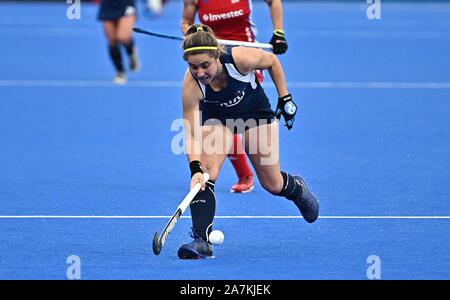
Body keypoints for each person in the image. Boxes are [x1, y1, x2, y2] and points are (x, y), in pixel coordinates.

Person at [177, 24, 319, 259]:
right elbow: (190, 133)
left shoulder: (239, 58)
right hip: (218, 118)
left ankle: (297, 188)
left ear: (216, 55)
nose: (200, 72)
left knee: (272, 184)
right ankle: (201, 240)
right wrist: (195, 168)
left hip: (255, 113)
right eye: (193, 67)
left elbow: (272, 62)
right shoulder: (191, 85)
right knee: (207, 173)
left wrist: (285, 98)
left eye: (205, 65)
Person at [181, 0, 288, 193]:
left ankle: (249, 171)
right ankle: (244, 173)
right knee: (222, 119)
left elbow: (273, 2)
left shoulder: (244, 58)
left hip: (243, 62)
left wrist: (278, 32)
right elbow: (186, 22)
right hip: (210, 60)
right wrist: (193, 40)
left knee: (235, 113)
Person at [98, 0, 140, 84]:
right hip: (108, 4)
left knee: (123, 37)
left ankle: (131, 52)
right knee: (112, 41)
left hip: (126, 3)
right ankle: (120, 72)